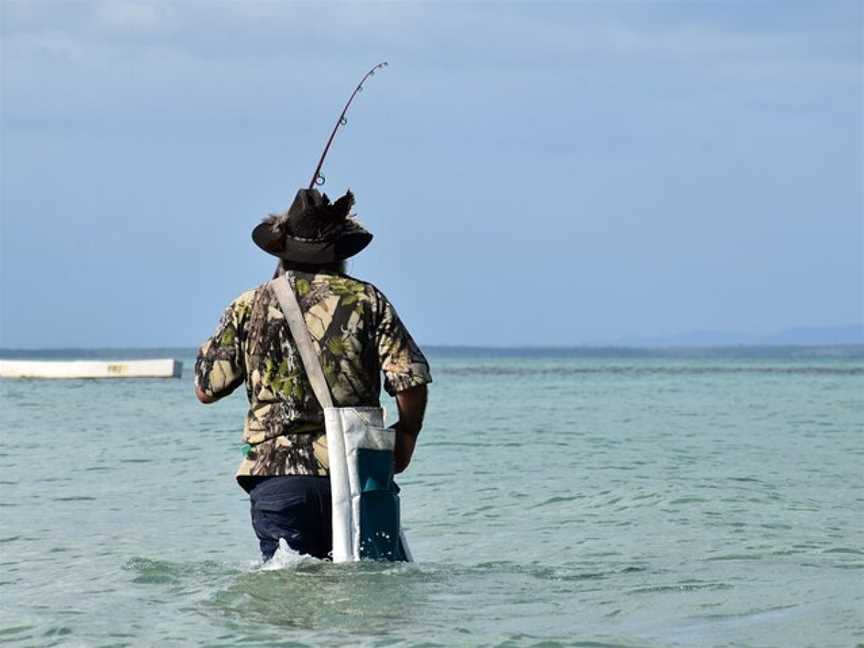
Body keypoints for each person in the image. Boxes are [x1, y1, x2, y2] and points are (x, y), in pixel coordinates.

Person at [194, 188, 431, 561]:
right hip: (358, 472)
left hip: (278, 477)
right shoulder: (368, 300)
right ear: (341, 254)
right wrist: (407, 434)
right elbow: (410, 378)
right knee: (369, 599)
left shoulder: (249, 304)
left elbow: (208, 388)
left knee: (291, 601)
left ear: (280, 250)